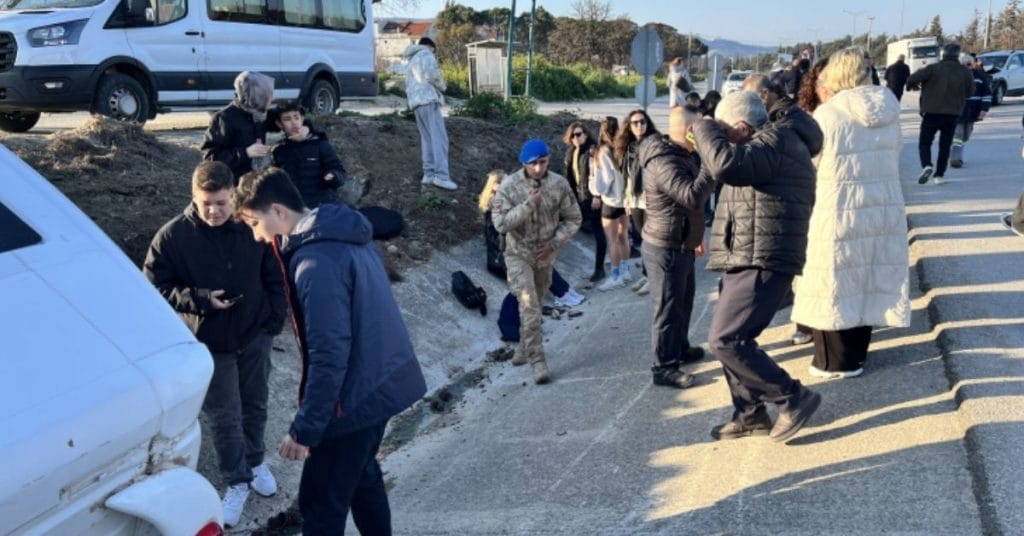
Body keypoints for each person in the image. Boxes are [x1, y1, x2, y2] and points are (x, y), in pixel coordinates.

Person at [233, 167, 427, 535]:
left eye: (253, 222)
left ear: (277, 211)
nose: (256, 236)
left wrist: (304, 429)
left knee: (320, 506)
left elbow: (329, 355)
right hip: (381, 381)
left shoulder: (316, 264)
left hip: (355, 398)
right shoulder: (340, 231)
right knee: (362, 477)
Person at [142, 161, 287, 527]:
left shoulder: (249, 226)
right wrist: (200, 299)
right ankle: (236, 481)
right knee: (225, 416)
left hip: (255, 335)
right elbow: (153, 287)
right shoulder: (172, 237)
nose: (214, 211)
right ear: (193, 196)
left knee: (256, 404)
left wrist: (273, 322)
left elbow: (275, 274)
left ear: (233, 197)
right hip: (209, 342)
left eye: (221, 203)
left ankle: (255, 463)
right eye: (206, 203)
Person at [694, 90, 823, 443]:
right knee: (735, 339)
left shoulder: (775, 142)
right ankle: (750, 413)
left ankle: (791, 397)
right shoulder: (765, 142)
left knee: (726, 339)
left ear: (740, 126)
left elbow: (725, 165)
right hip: (747, 251)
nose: (718, 135)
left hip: (763, 255)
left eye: (723, 129)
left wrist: (704, 129)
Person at [792, 46, 911, 379]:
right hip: (882, 203)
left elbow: (811, 162)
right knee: (867, 272)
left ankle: (833, 362)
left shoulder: (829, 114)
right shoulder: (889, 108)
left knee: (833, 275)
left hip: (838, 204)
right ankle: (857, 355)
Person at [491, 140, 582, 384]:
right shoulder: (509, 187)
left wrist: (554, 243)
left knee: (537, 303)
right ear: (524, 164)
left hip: (545, 255)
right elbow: (500, 223)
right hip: (518, 254)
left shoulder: (559, 184)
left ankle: (523, 345)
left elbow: (574, 218)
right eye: (533, 164)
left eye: (543, 162)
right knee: (529, 304)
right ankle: (537, 360)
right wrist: (529, 204)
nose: (539, 168)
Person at [743, 72, 822, 347]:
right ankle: (805, 322)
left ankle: (806, 324)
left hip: (789, 201)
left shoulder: (780, 122)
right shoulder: (792, 115)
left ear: (765, 95)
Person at [637, 104, 713, 389]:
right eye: (699, 128)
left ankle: (679, 348)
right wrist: (710, 163)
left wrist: (696, 237)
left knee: (684, 300)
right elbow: (691, 196)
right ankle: (664, 367)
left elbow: (691, 208)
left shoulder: (683, 154)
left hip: (682, 242)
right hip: (665, 246)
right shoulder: (663, 160)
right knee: (667, 308)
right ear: (690, 131)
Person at [479, 170, 585, 307]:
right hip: (501, 259)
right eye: (502, 182)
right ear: (494, 186)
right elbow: (500, 236)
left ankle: (565, 291)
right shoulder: (494, 207)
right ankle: (563, 294)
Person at [906, 43, 975, 185]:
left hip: (931, 112)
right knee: (945, 145)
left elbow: (911, 79)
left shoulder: (933, 68)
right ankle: (939, 175)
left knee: (925, 142)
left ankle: (927, 165)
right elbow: (970, 92)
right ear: (957, 55)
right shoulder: (965, 71)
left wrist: (915, 85)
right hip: (952, 114)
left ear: (942, 54)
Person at [614, 109, 660, 296]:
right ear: (629, 126)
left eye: (642, 122)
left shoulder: (654, 143)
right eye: (635, 123)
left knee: (652, 240)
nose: (639, 125)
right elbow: (626, 175)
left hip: (651, 198)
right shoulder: (629, 147)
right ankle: (647, 274)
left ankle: (654, 277)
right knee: (642, 239)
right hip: (635, 198)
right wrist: (627, 198)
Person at [201, 71, 277, 182]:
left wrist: (306, 128)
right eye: (265, 95)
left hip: (256, 181)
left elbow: (287, 118)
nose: (271, 99)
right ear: (253, 96)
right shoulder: (225, 118)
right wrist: (245, 152)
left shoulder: (259, 112)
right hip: (232, 183)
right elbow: (210, 156)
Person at [270, 101, 347, 208]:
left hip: (323, 207)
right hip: (295, 210)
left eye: (296, 117)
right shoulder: (279, 150)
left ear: (302, 119)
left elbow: (340, 172)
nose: (293, 122)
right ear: (279, 124)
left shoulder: (320, 144)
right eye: (287, 119)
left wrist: (333, 176)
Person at [404, 37, 457, 191]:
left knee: (427, 139)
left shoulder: (411, 59)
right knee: (440, 139)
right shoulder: (426, 54)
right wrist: (443, 87)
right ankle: (441, 177)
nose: (434, 53)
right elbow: (432, 75)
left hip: (416, 103)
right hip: (428, 99)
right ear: (429, 46)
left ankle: (428, 174)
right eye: (434, 50)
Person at [591, 116, 632, 291]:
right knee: (624, 236)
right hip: (625, 200)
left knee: (612, 240)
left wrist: (594, 184)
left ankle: (615, 276)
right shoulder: (622, 148)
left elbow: (603, 182)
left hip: (611, 201)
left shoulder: (602, 152)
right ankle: (626, 271)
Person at [563, 122, 606, 282]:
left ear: (586, 134)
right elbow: (570, 178)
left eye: (579, 134)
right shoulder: (571, 152)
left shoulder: (592, 151)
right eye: (573, 135)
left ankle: (599, 268)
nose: (576, 138)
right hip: (578, 199)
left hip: (591, 198)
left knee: (599, 232)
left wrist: (597, 196)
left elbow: (599, 174)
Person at [950, 53, 992, 169]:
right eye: (963, 64)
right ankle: (955, 158)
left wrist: (984, 109)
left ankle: (958, 155)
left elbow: (987, 94)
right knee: (958, 134)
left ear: (972, 65)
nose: (966, 66)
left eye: (968, 64)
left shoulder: (979, 77)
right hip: (956, 111)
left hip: (972, 111)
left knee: (966, 136)